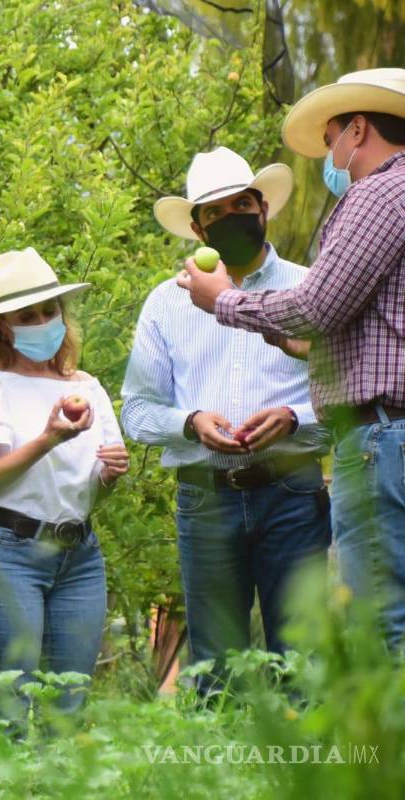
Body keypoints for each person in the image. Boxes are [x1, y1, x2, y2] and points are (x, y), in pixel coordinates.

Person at [177, 68, 405, 654]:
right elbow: (372, 325)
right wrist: (297, 343)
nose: (330, 154)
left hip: (382, 438)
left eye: (331, 138)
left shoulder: (379, 193)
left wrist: (223, 301)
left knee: (385, 619)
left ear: (358, 129)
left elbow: (318, 306)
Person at [122, 147, 331, 694]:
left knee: (303, 657)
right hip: (205, 497)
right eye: (215, 211)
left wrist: (295, 416)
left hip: (294, 492)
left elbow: (351, 399)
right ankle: (217, 773)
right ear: (196, 227)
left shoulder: (312, 289)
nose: (232, 216)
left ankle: (301, 776)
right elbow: (137, 412)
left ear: (263, 207)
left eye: (242, 203)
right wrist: (191, 422)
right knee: (215, 668)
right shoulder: (166, 304)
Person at [0, 247, 128, 722]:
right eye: (29, 315)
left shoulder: (86, 387)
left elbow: (87, 491)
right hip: (9, 554)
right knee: (10, 704)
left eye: (51, 311)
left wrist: (108, 476)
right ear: (3, 325)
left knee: (66, 708)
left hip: (80, 556)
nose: (45, 321)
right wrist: (47, 438)